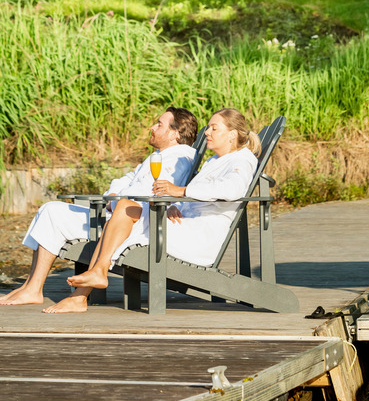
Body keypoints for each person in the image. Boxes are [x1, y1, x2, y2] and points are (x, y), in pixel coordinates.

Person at [47, 108, 260, 314]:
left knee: (127, 209)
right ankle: (90, 283)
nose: (206, 132)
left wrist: (182, 191)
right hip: (184, 225)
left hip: (197, 237)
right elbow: (202, 197)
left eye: (214, 128)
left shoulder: (242, 160)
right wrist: (177, 205)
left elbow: (232, 189)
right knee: (126, 207)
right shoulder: (216, 160)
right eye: (208, 128)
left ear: (232, 135)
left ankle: (85, 289)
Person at [0, 106, 198, 307]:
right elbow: (125, 180)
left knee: (52, 214)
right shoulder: (161, 155)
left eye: (159, 124)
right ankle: (31, 286)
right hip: (118, 212)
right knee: (49, 210)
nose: (152, 127)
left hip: (131, 221)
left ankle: (35, 289)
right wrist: (112, 195)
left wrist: (115, 198)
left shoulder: (180, 158)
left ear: (174, 134)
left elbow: (149, 192)